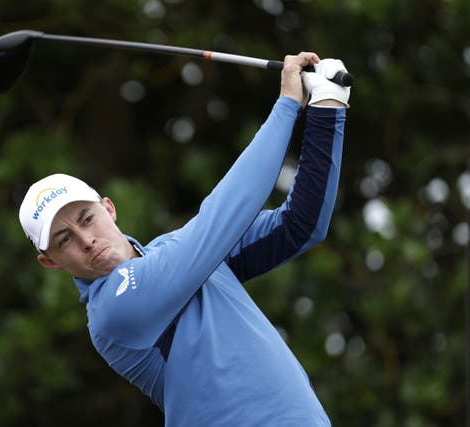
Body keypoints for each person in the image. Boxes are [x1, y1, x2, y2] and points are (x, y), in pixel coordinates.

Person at [19, 52, 349, 426]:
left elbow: (300, 225)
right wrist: (288, 103)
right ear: (50, 261)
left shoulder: (184, 253)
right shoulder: (112, 310)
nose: (86, 240)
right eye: (64, 240)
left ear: (108, 209)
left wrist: (327, 105)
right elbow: (223, 216)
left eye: (87, 219)